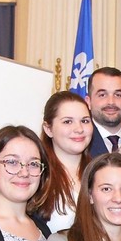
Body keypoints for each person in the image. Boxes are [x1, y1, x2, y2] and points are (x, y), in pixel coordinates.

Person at [38, 91, 93, 232]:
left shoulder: (100, 173)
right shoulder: (37, 176)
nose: (79, 129)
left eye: (85, 121)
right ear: (48, 129)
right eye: (68, 121)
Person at [86, 67, 121, 157]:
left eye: (118, 95)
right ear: (88, 101)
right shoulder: (80, 144)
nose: (111, 102)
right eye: (102, 95)